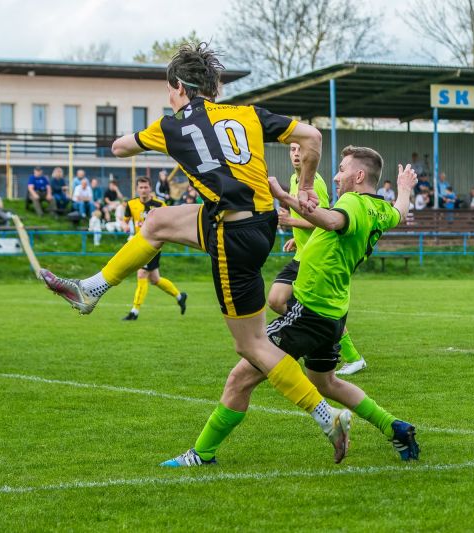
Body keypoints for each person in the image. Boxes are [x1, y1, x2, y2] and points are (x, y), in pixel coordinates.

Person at [39, 42, 352, 463]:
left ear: (178, 87)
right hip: (258, 221)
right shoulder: (246, 114)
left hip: (232, 234)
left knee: (253, 346)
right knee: (157, 223)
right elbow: (311, 136)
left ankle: (324, 414)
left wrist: (138, 138)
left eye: (169, 90)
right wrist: (309, 184)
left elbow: (119, 148)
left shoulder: (169, 126)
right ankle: (91, 289)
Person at [160, 147, 420, 467]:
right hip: (335, 313)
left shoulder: (352, 202)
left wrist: (282, 195)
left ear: (359, 176)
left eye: (341, 169)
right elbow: (400, 210)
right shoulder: (380, 208)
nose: (337, 175)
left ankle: (202, 454)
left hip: (309, 310)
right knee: (325, 382)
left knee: (240, 378)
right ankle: (395, 427)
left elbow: (329, 218)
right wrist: (405, 188)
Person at [270, 143, 367, 376]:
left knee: (286, 303)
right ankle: (316, 342)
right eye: (292, 149)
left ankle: (348, 355)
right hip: (302, 253)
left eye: (300, 149)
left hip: (312, 258)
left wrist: (291, 223)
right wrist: (297, 237)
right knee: (276, 301)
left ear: (310, 155)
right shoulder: (295, 180)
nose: (296, 153)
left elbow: (324, 221)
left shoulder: (316, 183)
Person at [120, 176, 187, 321]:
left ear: (150, 188)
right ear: (137, 189)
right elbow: (125, 221)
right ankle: (180, 296)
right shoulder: (131, 204)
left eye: (146, 187)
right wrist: (125, 226)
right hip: (138, 244)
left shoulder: (159, 204)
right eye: (141, 187)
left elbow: (169, 222)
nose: (143, 190)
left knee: (141, 274)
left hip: (153, 245)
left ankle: (134, 312)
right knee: (155, 279)